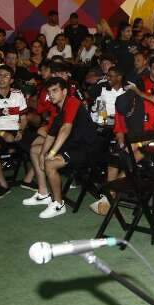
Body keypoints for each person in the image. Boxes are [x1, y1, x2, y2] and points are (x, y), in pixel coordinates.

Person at [34, 78, 100, 219]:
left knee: (50, 164)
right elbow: (51, 135)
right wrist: (42, 153)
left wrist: (50, 153)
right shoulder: (59, 110)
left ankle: (58, 204)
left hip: (87, 149)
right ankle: (44, 193)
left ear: (64, 91)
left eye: (55, 91)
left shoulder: (72, 102)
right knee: (36, 151)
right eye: (49, 91)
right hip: (73, 147)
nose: (51, 94)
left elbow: (65, 129)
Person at [0, 65, 28, 199]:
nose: (2, 78)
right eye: (0, 75)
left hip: (17, 129)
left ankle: (28, 180)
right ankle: (3, 185)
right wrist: (3, 134)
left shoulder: (18, 94)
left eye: (6, 76)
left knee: (42, 144)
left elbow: (24, 118)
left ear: (11, 80)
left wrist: (21, 131)